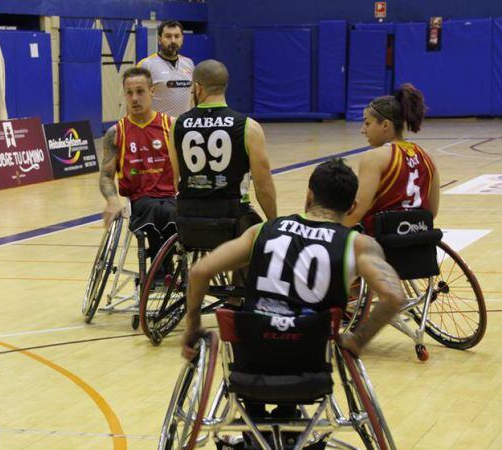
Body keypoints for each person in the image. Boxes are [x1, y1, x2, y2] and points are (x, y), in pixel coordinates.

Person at [181, 159, 404, 448]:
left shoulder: (262, 231)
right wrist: (358, 339)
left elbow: (199, 271)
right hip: (309, 364)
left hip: (250, 360)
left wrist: (193, 326)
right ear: (352, 207)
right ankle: (287, 425)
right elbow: (393, 297)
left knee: (255, 345)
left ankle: (256, 425)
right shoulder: (357, 244)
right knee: (301, 343)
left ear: (309, 195)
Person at [169, 59, 277, 241]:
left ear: (197, 87)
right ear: (225, 86)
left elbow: (174, 178)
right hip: (233, 219)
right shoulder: (248, 127)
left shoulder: (177, 125)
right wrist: (274, 222)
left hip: (189, 218)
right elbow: (263, 186)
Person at [99, 66, 176, 265]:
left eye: (140, 91)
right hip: (139, 201)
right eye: (129, 92)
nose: (134, 98)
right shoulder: (115, 133)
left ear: (152, 91)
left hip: (171, 197)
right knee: (153, 208)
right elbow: (106, 176)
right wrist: (112, 200)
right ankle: (160, 269)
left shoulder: (172, 126)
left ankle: (167, 268)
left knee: (172, 211)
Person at [343, 83, 440, 233]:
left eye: (367, 123)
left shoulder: (374, 157)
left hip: (380, 244)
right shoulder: (428, 157)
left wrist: (331, 230)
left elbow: (356, 212)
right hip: (420, 243)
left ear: (386, 125)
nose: (363, 130)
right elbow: (432, 212)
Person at [137, 20, 195, 118]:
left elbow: (193, 97)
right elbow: (135, 99)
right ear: (159, 39)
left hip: (182, 127)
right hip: (157, 128)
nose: (173, 40)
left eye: (177, 36)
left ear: (182, 39)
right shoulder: (146, 65)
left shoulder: (189, 63)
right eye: (168, 36)